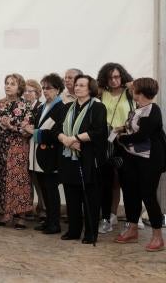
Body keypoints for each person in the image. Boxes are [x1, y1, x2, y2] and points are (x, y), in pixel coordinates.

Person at [113, 77, 165, 252]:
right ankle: (132, 230)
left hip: (149, 160)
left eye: (133, 89)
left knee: (148, 195)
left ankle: (158, 237)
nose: (130, 90)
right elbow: (133, 128)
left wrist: (121, 138)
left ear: (139, 92)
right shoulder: (138, 109)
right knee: (130, 193)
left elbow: (142, 135)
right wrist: (121, 128)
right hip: (132, 158)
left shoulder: (153, 110)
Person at [56, 74, 107, 244]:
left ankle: (91, 233)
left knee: (90, 197)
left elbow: (98, 131)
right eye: (76, 85)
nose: (77, 88)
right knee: (71, 195)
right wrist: (66, 140)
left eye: (82, 85)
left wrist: (75, 138)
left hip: (89, 158)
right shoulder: (67, 107)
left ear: (90, 88)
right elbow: (57, 128)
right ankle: (73, 230)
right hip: (68, 157)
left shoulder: (98, 107)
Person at [0, 73, 34, 229]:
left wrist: (11, 125)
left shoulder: (25, 105)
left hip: (18, 146)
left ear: (19, 87)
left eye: (12, 83)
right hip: (0, 147)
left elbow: (27, 129)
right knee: (2, 180)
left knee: (18, 180)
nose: (8, 86)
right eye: (6, 83)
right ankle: (6, 214)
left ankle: (21, 216)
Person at [24, 73, 66, 234]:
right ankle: (48, 220)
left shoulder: (61, 107)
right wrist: (28, 128)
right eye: (44, 88)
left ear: (58, 90)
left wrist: (34, 131)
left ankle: (55, 223)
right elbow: (37, 126)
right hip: (39, 156)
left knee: (51, 191)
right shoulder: (42, 107)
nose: (46, 91)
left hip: (51, 156)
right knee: (44, 190)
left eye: (49, 88)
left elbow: (56, 133)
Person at [96, 62, 135, 234]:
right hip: (107, 141)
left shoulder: (129, 92)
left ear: (123, 76)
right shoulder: (102, 93)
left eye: (117, 76)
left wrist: (129, 83)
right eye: (110, 77)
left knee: (127, 181)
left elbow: (145, 89)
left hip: (126, 140)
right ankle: (107, 217)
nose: (113, 80)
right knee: (107, 181)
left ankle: (131, 218)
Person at [23, 79, 46, 220]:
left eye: (30, 91)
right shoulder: (21, 107)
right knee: (27, 179)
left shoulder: (41, 107)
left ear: (37, 93)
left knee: (38, 179)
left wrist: (29, 130)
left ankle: (42, 207)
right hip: (23, 146)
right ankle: (28, 207)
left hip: (36, 146)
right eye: (25, 91)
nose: (26, 94)